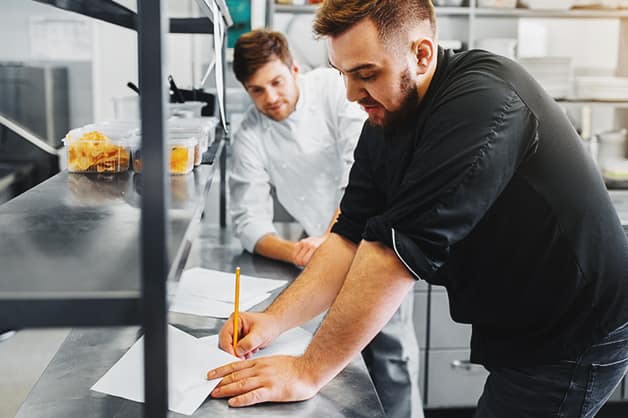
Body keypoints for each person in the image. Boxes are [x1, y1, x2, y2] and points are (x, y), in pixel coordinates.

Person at [208, 1, 628, 416]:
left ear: (422, 54)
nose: (352, 94)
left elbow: (393, 253)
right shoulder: (386, 112)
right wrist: (274, 320)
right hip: (520, 316)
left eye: (365, 74)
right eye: (343, 75)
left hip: (576, 326)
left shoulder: (482, 101)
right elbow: (350, 233)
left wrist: (308, 370)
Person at [228, 29, 423, 418]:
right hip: (318, 255)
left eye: (277, 82)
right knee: (334, 368)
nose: (271, 98)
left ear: (294, 69)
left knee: (390, 360)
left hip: (377, 243)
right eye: (257, 90)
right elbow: (247, 219)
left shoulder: (335, 92)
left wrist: (330, 239)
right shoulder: (249, 133)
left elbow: (361, 178)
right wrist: (298, 251)